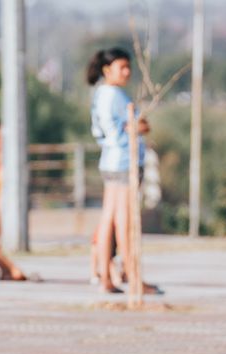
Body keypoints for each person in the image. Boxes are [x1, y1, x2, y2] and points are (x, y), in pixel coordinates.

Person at [87, 47, 159, 295]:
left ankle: (107, 276)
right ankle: (133, 277)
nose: (127, 72)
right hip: (121, 163)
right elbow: (117, 131)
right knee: (124, 223)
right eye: (122, 67)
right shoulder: (112, 95)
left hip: (112, 162)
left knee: (110, 221)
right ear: (107, 70)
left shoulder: (104, 94)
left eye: (128, 67)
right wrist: (136, 128)